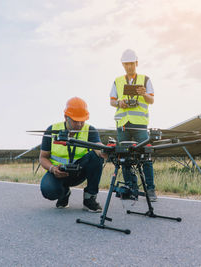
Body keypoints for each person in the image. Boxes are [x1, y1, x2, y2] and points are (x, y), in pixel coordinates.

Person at [39, 97, 106, 211]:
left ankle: (90, 198)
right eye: (76, 121)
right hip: (59, 173)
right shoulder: (52, 130)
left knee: (96, 158)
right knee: (48, 190)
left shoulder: (90, 130)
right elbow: (42, 158)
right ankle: (64, 193)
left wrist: (105, 151)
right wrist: (53, 169)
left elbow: (99, 148)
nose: (80, 124)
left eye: (82, 120)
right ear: (66, 117)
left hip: (80, 172)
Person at [109, 49, 157, 201]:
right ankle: (131, 188)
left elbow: (151, 100)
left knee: (146, 156)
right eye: (126, 64)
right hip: (123, 124)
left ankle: (150, 189)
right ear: (123, 64)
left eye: (131, 63)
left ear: (136, 63)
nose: (129, 67)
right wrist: (119, 103)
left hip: (139, 126)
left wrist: (143, 94)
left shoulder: (145, 79)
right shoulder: (117, 81)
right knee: (124, 157)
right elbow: (111, 101)